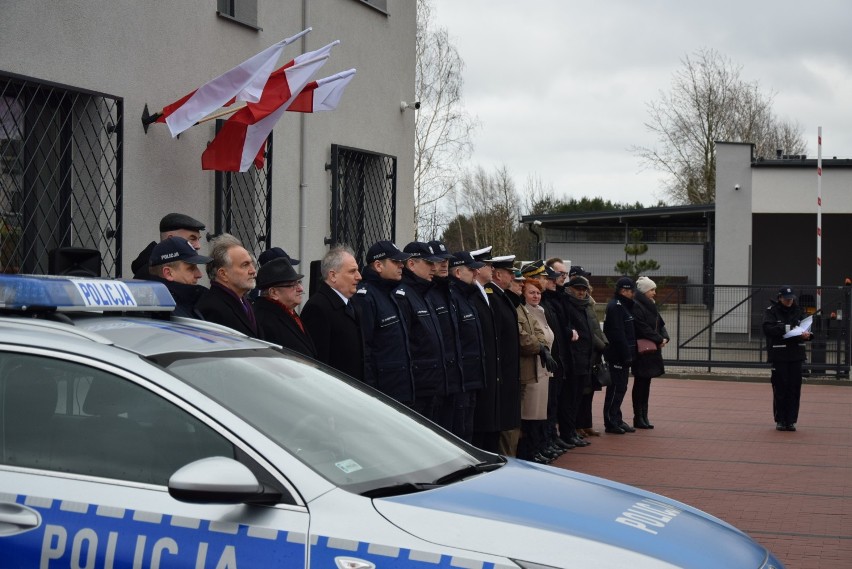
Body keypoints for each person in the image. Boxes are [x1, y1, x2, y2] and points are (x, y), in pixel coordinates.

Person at [351, 241, 414, 404]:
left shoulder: (389, 293)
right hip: (383, 393)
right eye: (396, 261)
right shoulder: (366, 298)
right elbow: (365, 350)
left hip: (400, 389)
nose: (402, 265)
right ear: (378, 265)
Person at [394, 242, 448, 424]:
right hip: (418, 387)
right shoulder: (403, 295)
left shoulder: (424, 292)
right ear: (411, 264)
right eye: (429, 263)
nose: (434, 268)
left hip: (432, 385)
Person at [301, 245, 363, 380]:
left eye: (357, 271)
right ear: (333, 275)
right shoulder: (317, 308)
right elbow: (318, 362)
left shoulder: (353, 304)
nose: (359, 277)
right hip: (335, 391)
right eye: (352, 271)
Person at [517, 278, 559, 463]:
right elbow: (529, 338)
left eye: (538, 293)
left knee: (541, 413)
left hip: (544, 369)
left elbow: (543, 336)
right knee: (529, 414)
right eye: (531, 292)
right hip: (531, 369)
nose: (536, 296)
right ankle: (530, 451)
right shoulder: (522, 311)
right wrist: (541, 347)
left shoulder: (540, 311)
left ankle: (538, 447)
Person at [425, 240, 465, 434]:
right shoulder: (427, 293)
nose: (443, 264)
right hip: (435, 382)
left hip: (453, 380)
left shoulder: (449, 292)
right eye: (438, 260)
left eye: (446, 260)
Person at [447, 251, 487, 442]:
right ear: (457, 273)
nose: (475, 273)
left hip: (472, 377)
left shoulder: (467, 297)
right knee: (459, 433)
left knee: (467, 430)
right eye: (471, 270)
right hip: (462, 378)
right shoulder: (454, 297)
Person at [762, 285, 812, 432]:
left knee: (794, 388)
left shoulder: (799, 311)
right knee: (780, 387)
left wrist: (807, 334)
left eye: (791, 299)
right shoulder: (771, 312)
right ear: (780, 298)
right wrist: (787, 328)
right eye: (786, 299)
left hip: (796, 355)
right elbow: (767, 329)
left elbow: (808, 329)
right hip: (779, 355)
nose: (789, 301)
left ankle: (791, 421)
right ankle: (780, 420)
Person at [487, 255, 523, 456]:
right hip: (503, 373)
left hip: (509, 372)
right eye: (510, 273)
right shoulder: (493, 298)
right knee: (502, 426)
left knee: (509, 422)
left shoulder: (502, 297)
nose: (513, 276)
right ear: (498, 274)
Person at [469, 246, 502, 453]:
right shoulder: (472, 293)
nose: (491, 268)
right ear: (478, 269)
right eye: (488, 265)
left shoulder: (484, 293)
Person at [195, 233, 259, 337]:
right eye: (245, 265)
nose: (253, 271)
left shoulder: (244, 301)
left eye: (252, 264)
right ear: (223, 274)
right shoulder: (212, 308)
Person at [253, 258, 317, 358]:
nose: (300, 288)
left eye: (299, 282)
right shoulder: (264, 319)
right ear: (273, 292)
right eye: (292, 285)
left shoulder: (287, 310)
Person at [562, 275, 597, 445]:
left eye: (584, 290)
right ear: (571, 289)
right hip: (574, 359)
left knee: (577, 398)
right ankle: (568, 432)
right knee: (570, 399)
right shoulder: (568, 305)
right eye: (578, 289)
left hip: (586, 359)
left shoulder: (584, 306)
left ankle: (574, 431)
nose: (581, 292)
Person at [631, 276, 670, 429]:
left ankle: (644, 416)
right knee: (640, 382)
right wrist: (659, 339)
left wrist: (665, 337)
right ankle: (638, 417)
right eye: (652, 289)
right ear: (644, 291)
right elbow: (641, 327)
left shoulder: (651, 305)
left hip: (652, 348)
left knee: (646, 383)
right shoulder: (637, 306)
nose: (654, 292)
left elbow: (660, 324)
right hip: (643, 350)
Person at [602, 277, 637, 434]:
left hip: (624, 354)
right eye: (631, 291)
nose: (633, 294)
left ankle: (617, 417)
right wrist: (626, 353)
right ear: (624, 291)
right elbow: (617, 333)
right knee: (616, 388)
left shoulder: (624, 306)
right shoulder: (616, 307)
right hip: (617, 355)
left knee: (621, 388)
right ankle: (610, 421)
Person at [146, 236, 211, 318]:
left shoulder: (186, 303)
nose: (199, 274)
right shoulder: (164, 313)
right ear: (168, 273)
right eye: (191, 268)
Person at [131, 213, 206, 279]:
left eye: (198, 239)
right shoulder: (151, 274)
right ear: (170, 239)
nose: (198, 246)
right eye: (192, 239)